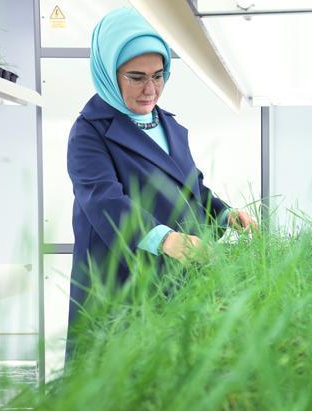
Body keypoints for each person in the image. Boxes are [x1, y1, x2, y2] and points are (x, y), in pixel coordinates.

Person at [66, 7, 256, 355]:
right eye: (136, 77)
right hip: (118, 280)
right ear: (110, 71)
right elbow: (105, 201)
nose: (150, 89)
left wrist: (226, 214)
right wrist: (167, 240)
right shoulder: (89, 132)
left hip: (170, 278)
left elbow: (191, 188)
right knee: (113, 389)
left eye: (159, 75)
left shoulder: (167, 124)